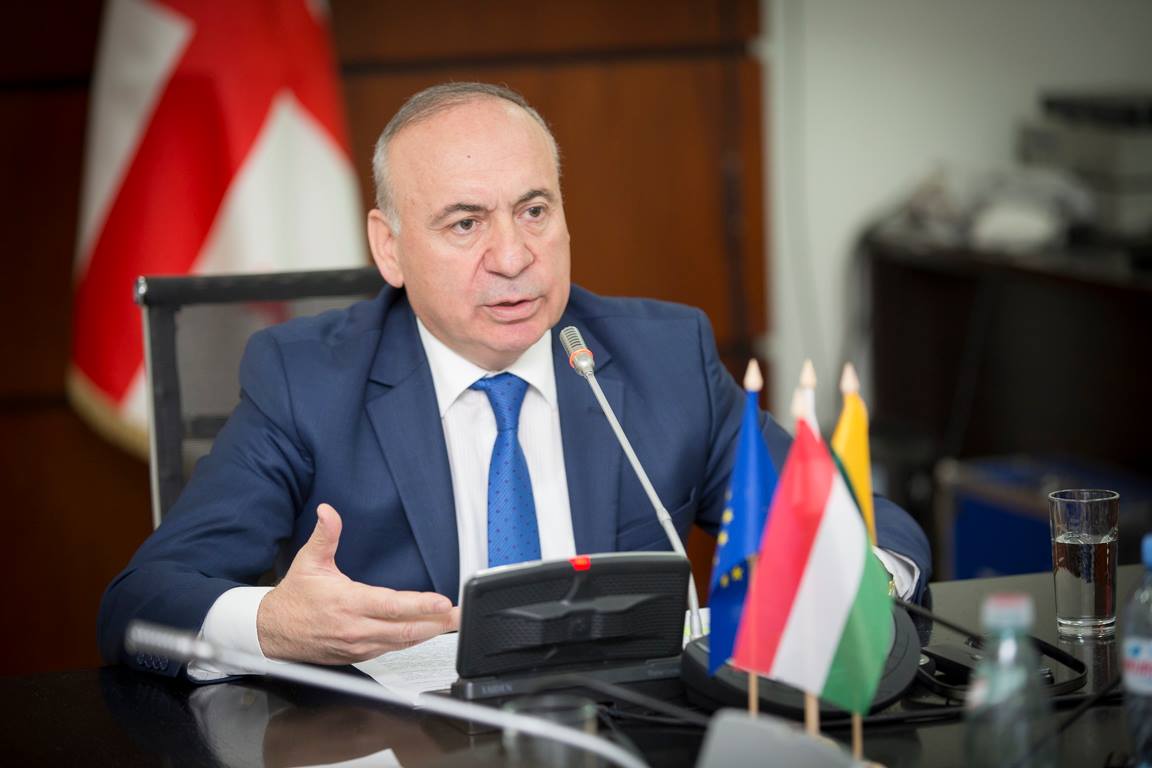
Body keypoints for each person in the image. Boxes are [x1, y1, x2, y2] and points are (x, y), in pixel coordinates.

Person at [98, 82, 931, 679]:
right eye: (465, 223)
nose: (513, 256)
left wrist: (854, 586)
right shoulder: (305, 379)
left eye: (534, 210)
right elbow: (142, 600)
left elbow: (860, 522)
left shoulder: (662, 357)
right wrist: (274, 624)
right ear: (389, 247)